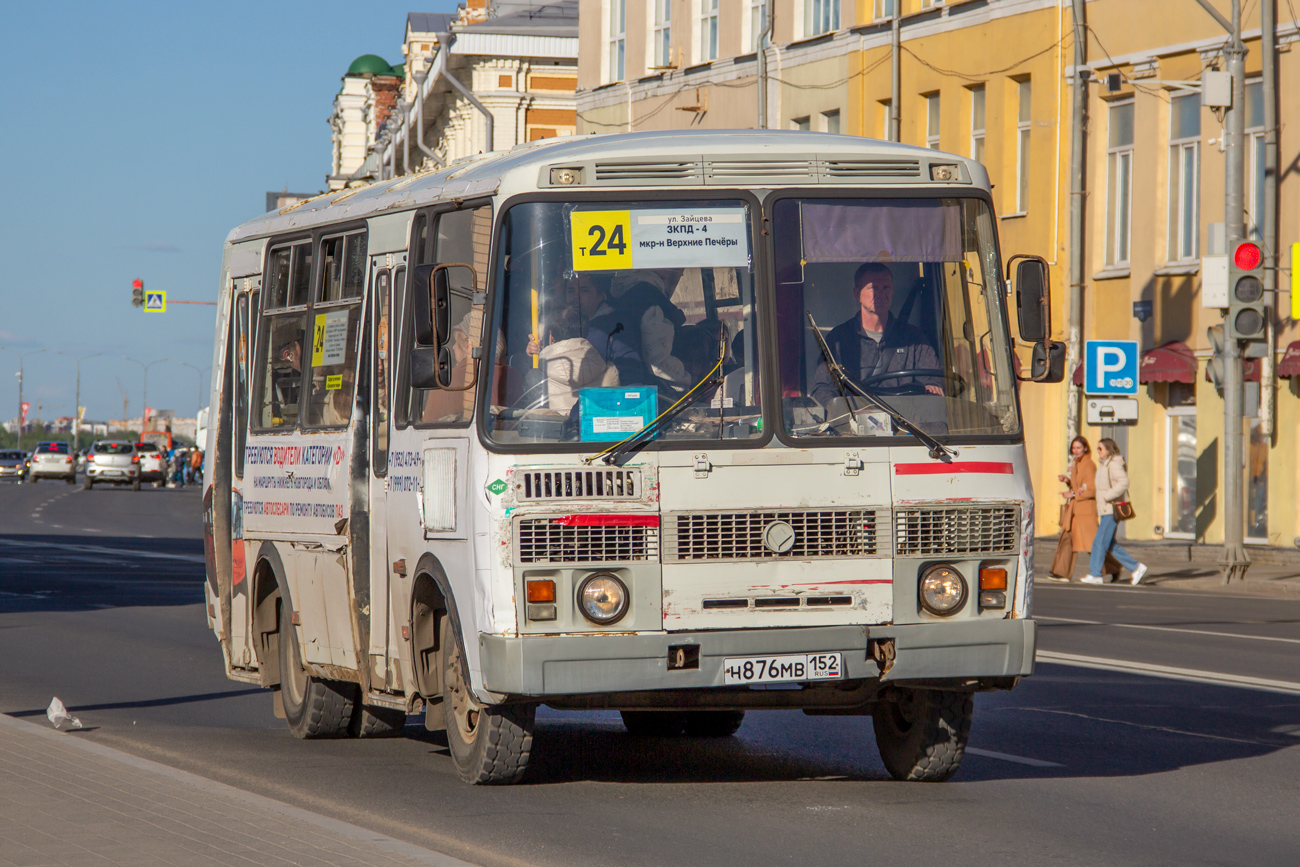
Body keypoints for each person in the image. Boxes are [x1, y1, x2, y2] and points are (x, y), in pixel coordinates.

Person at [810, 262, 944, 409]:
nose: (880, 294)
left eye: (886, 287)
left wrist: (933, 387)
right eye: (873, 288)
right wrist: (842, 414)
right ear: (857, 294)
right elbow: (822, 388)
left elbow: (933, 380)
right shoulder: (839, 340)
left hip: (907, 425)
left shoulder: (914, 338)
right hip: (857, 426)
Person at [1084, 438, 1149, 585]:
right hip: (1104, 509)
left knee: (1099, 542)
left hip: (1110, 509)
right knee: (1109, 544)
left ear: (1108, 449)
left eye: (1100, 448)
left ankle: (1095, 574)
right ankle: (1136, 567)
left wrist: (1108, 496)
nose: (1098, 451)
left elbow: (1124, 482)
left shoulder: (1113, 464)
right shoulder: (1103, 465)